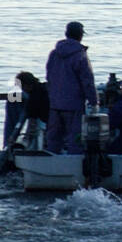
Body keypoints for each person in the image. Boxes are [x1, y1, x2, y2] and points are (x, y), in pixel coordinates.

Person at [45, 21, 98, 155]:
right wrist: (94, 101)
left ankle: (50, 166)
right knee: (75, 138)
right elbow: (87, 81)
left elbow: (49, 76)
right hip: (74, 105)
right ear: (80, 36)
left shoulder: (53, 53)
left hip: (55, 103)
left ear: (66, 34)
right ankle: (74, 167)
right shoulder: (80, 55)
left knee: (53, 138)